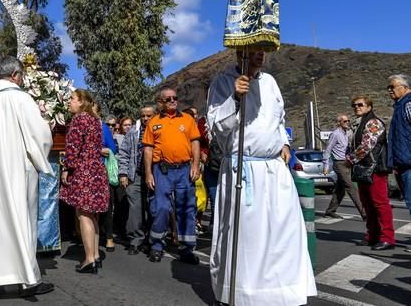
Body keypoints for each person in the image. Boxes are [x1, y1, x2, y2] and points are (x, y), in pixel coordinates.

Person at [207, 50, 316, 305]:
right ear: (239, 52)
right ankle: (242, 295)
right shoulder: (222, 82)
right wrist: (235, 96)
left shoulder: (270, 82)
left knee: (284, 233)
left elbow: (279, 118)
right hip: (243, 170)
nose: (259, 56)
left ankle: (284, 292)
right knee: (247, 237)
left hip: (274, 170)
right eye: (253, 51)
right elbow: (216, 126)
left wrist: (284, 143)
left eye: (262, 51)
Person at [0, 56, 54, 296]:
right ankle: (28, 280)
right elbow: (41, 137)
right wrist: (40, 158)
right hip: (18, 169)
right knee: (22, 221)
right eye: (22, 76)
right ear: (16, 75)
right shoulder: (21, 98)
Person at [143, 88, 201, 264]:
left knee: (187, 209)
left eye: (175, 98)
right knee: (161, 208)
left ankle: (186, 249)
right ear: (161, 102)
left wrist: (195, 165)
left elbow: (195, 142)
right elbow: (148, 149)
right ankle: (157, 246)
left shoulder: (188, 119)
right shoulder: (153, 122)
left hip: (184, 170)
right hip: (162, 171)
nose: (173, 101)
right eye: (168, 99)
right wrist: (148, 173)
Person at [59, 89, 109, 274]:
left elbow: (73, 148)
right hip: (96, 169)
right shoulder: (95, 120)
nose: (69, 102)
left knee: (83, 214)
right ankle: (95, 255)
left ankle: (89, 259)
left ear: (81, 102)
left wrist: (67, 168)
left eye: (72, 99)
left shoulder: (79, 120)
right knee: (92, 214)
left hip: (84, 171)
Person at [348, 95, 395, 250]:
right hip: (363, 169)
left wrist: (350, 159)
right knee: (367, 204)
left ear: (369, 107)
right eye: (354, 105)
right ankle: (372, 235)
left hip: (375, 168)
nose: (357, 107)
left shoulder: (373, 122)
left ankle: (387, 238)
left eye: (360, 104)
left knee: (380, 203)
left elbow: (367, 146)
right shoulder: (358, 124)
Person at [118, 104, 155, 255]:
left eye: (149, 116)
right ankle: (135, 239)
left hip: (155, 175)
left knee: (153, 207)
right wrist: (123, 174)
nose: (145, 118)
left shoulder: (160, 129)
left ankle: (152, 240)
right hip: (136, 175)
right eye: (143, 116)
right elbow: (124, 153)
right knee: (135, 208)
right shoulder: (133, 131)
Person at [323, 114, 366, 219]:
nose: (347, 123)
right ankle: (364, 213)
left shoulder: (349, 132)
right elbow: (327, 150)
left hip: (348, 162)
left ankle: (330, 210)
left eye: (348, 121)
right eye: (345, 121)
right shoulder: (335, 134)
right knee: (351, 187)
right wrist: (326, 166)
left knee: (340, 189)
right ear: (339, 123)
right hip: (339, 164)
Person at [387, 74, 411, 237]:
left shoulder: (408, 104)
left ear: (405, 87)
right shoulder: (399, 106)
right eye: (388, 88)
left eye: (392, 87)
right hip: (403, 163)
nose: (389, 90)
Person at [98, 109, 119, 253]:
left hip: (102, 171)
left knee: (106, 205)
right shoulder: (80, 126)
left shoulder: (103, 128)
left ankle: (109, 237)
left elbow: (112, 149)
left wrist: (98, 150)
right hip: (85, 173)